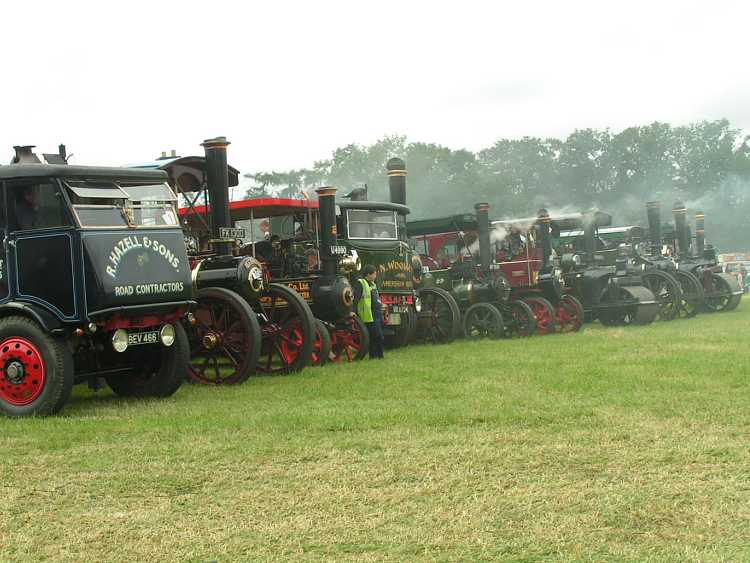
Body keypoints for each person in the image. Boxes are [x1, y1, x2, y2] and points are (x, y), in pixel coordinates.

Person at [354, 264, 384, 359]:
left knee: (376, 336)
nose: (375, 276)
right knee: (377, 336)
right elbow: (356, 298)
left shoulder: (373, 284)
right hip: (368, 315)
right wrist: (353, 311)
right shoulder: (361, 283)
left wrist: (381, 304)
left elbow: (375, 298)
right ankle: (378, 356)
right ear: (368, 274)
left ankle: (375, 356)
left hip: (376, 314)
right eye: (374, 274)